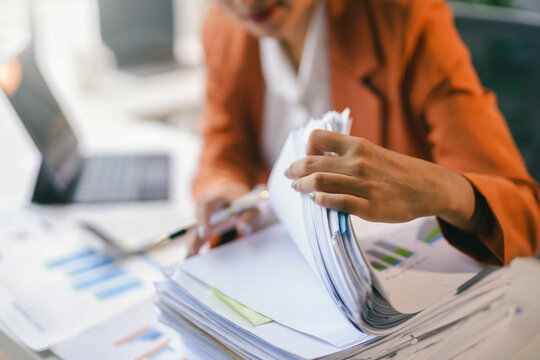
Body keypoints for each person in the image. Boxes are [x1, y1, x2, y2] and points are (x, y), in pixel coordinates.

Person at [193, 0, 540, 265]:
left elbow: (522, 209)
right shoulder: (223, 29)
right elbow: (222, 143)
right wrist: (221, 187)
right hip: (284, 262)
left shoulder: (403, 15)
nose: (246, 2)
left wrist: (439, 189)